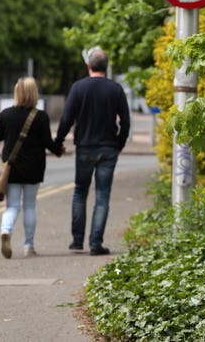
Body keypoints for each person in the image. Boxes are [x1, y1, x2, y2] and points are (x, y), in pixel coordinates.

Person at [55, 46, 130, 256]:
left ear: (88, 66)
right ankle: (96, 243)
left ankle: (77, 241)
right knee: (102, 195)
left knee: (80, 191)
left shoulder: (78, 88)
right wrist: (119, 144)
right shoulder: (115, 89)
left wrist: (58, 142)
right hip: (108, 147)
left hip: (85, 147)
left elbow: (66, 118)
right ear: (106, 67)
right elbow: (125, 122)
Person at [0, 77, 63, 259]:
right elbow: (48, 142)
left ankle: (5, 231)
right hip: (34, 167)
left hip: (12, 167)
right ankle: (28, 246)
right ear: (34, 94)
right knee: (30, 206)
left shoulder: (5, 114)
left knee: (12, 206)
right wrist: (59, 150)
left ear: (17, 93)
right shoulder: (40, 117)